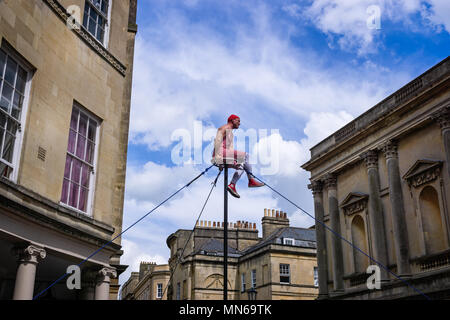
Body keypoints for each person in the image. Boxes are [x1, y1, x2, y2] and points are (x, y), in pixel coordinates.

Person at [212, 114, 264, 198]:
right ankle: (251, 180)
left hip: (223, 155)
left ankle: (232, 185)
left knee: (241, 166)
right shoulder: (225, 128)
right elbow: (217, 139)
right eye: (238, 120)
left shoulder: (231, 134)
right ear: (233, 120)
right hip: (220, 153)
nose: (239, 123)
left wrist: (225, 162)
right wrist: (217, 156)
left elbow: (230, 150)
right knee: (246, 155)